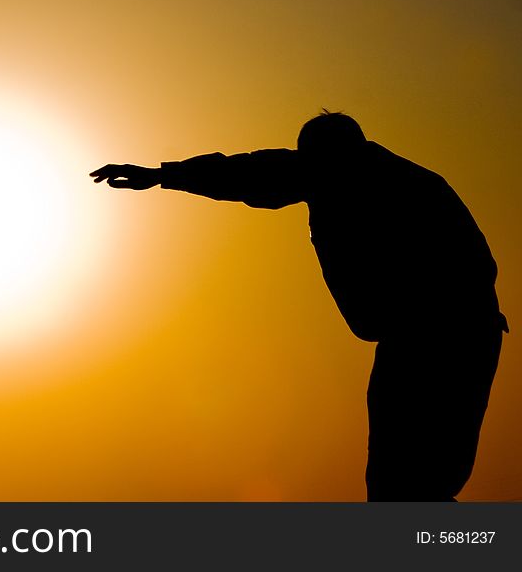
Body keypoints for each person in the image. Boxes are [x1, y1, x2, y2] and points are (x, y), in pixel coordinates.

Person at [90, 111, 508, 501]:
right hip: (449, 336)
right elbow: (247, 173)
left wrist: (161, 176)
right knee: (410, 481)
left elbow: (252, 174)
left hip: (440, 338)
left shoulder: (376, 180)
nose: (302, 172)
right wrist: (163, 176)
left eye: (309, 162)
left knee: (410, 480)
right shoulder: (379, 176)